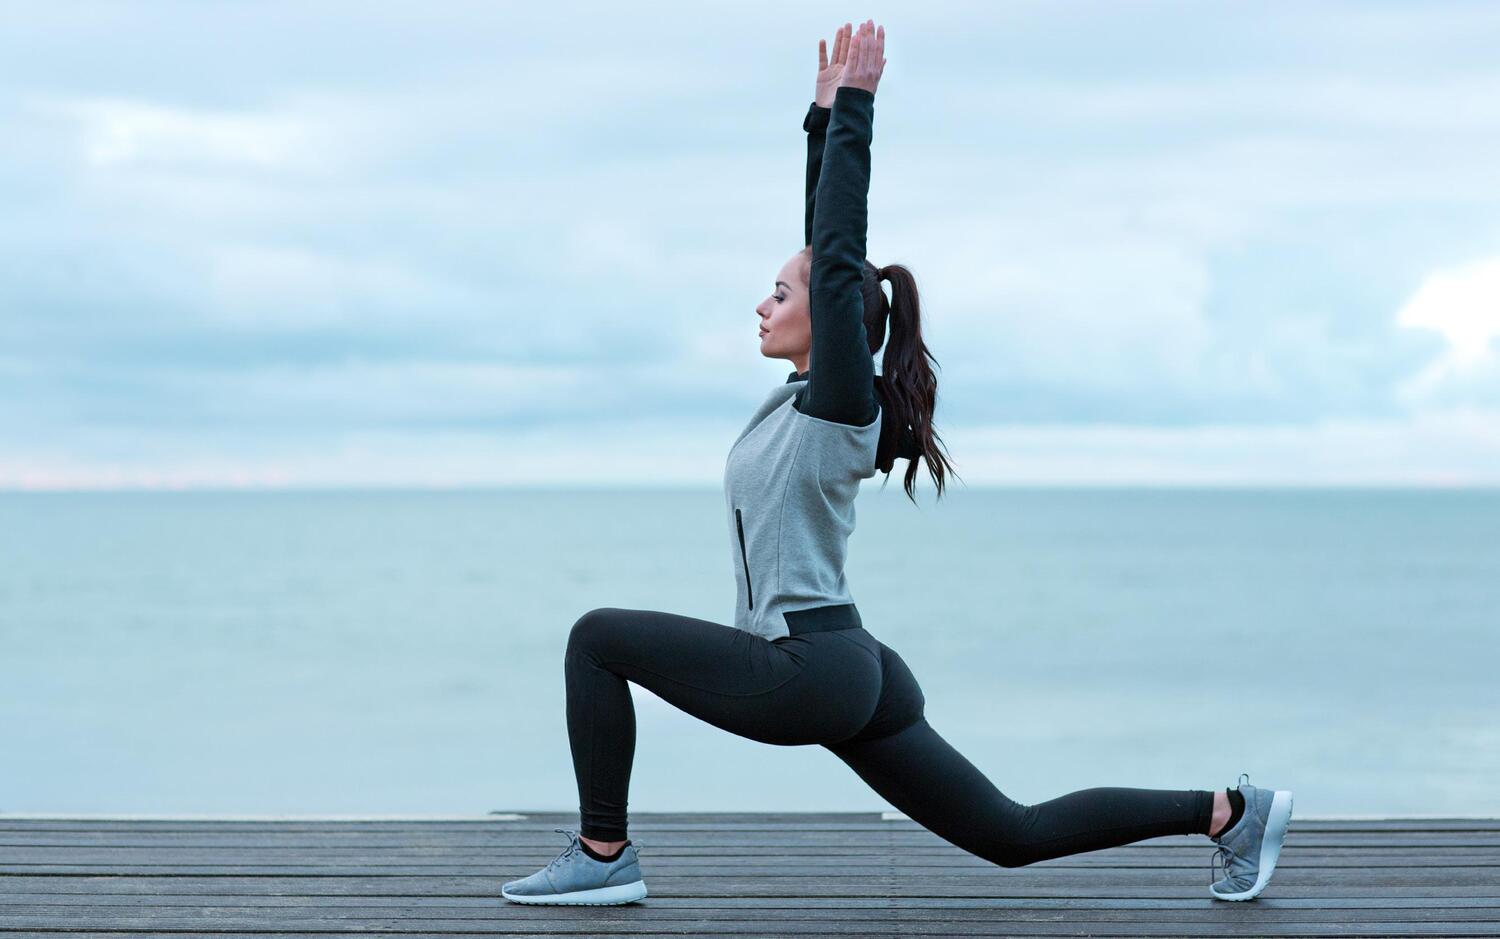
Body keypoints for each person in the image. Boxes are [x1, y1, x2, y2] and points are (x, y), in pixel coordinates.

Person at [502, 19, 1292, 907]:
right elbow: (826, 258)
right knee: (1010, 832)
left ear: (832, 322)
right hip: (852, 663)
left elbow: (836, 262)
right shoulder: (806, 400)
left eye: (779, 293)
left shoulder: (845, 405)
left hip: (810, 669)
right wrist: (820, 119)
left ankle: (604, 853)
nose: (761, 304)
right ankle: (1229, 812)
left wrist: (858, 115)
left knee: (595, 637)